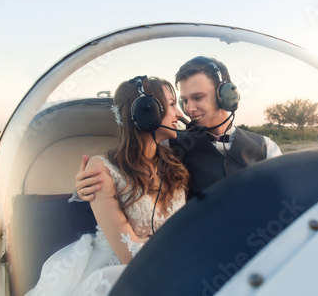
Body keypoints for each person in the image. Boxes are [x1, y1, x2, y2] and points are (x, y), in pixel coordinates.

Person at [26, 76, 189, 295]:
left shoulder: (174, 163)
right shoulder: (102, 168)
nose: (180, 113)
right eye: (171, 104)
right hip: (125, 271)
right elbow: (129, 255)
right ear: (147, 111)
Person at [75, 56, 281, 201]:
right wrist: (84, 188)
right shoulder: (167, 145)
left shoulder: (266, 147)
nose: (189, 109)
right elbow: (125, 172)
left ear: (225, 96)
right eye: (183, 101)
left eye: (198, 98)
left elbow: (283, 196)